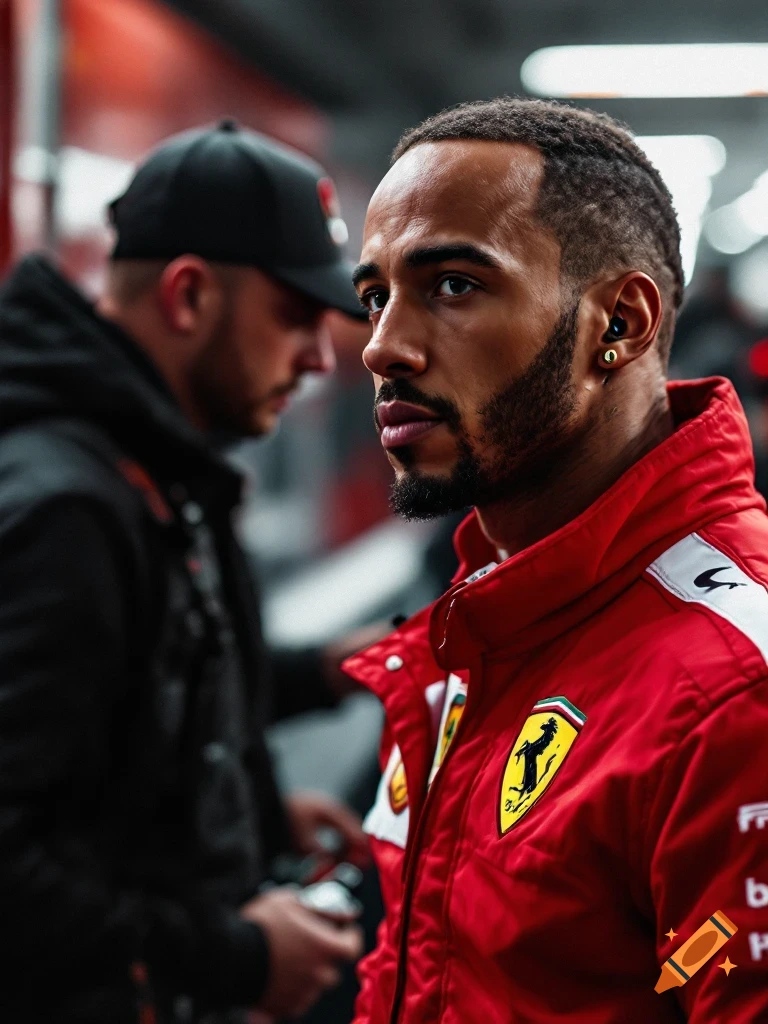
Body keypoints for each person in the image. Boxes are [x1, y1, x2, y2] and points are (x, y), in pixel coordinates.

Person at [343, 98, 768, 1023]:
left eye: (452, 284)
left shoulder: (736, 692)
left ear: (618, 322)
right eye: (374, 295)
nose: (382, 345)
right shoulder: (486, 614)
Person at [0, 120, 369, 1023]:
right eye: (293, 314)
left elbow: (137, 688)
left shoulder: (156, 467)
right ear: (190, 295)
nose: (322, 359)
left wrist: (247, 801)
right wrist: (238, 958)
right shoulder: (70, 509)